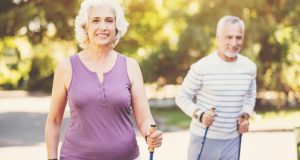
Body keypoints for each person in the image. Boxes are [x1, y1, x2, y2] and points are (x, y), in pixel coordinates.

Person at [45, 0, 162, 159]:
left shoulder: (130, 66)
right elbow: (53, 120)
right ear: (85, 27)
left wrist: (151, 134)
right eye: (95, 20)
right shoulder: (66, 67)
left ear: (116, 26)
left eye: (109, 20)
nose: (103, 27)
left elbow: (144, 119)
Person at [176, 15, 257, 160]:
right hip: (204, 138)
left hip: (233, 140)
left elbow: (250, 97)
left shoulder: (249, 67)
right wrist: (200, 114)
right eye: (229, 37)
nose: (234, 42)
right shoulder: (202, 67)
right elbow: (181, 97)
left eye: (238, 37)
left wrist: (245, 116)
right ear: (218, 37)